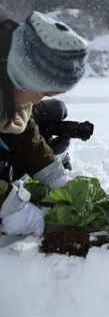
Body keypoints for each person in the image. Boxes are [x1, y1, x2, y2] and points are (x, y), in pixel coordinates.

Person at [1, 12, 89, 237]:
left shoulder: (10, 84)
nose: (38, 101)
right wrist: (6, 203)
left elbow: (19, 132)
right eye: (40, 92)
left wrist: (51, 173)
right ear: (21, 76)